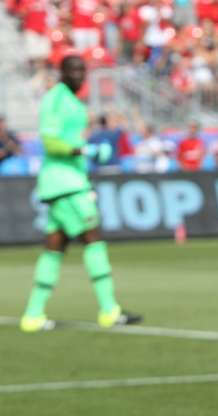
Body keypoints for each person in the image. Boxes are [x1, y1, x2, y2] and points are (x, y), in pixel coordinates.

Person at [20, 55, 142, 332]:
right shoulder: (55, 98)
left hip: (70, 180)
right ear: (61, 72)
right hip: (64, 184)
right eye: (73, 70)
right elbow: (50, 141)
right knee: (92, 236)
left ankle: (33, 314)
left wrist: (87, 151)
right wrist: (85, 150)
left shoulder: (73, 101)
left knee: (55, 245)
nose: (79, 75)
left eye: (82, 70)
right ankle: (109, 309)